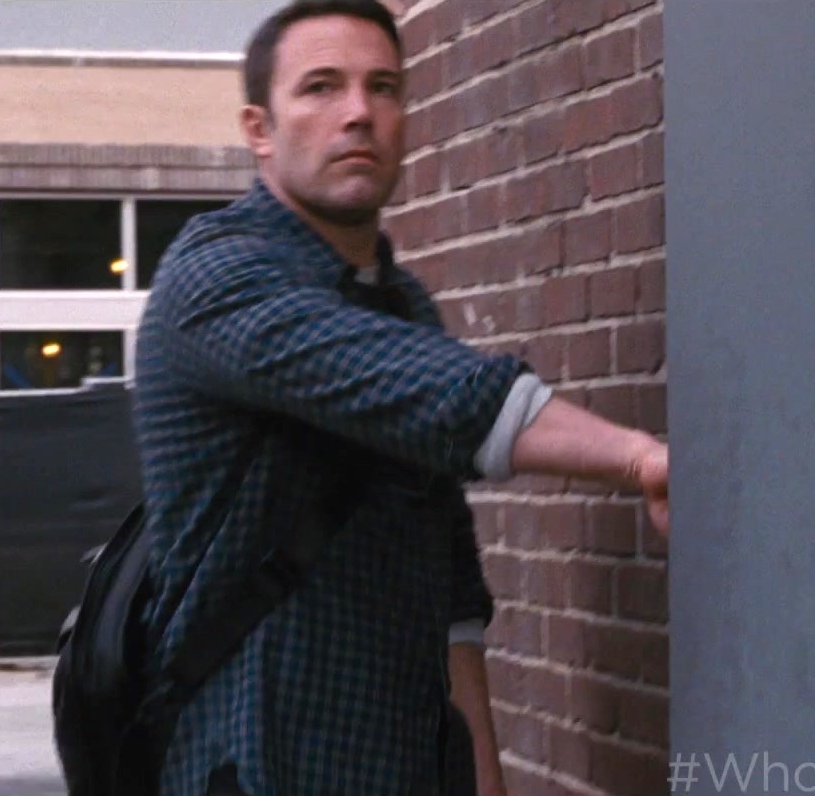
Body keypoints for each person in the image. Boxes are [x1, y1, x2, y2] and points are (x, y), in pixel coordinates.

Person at [129, 1, 669, 795]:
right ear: (258, 130)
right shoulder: (215, 277)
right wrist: (638, 457)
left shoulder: (401, 304)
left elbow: (447, 578)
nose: (358, 112)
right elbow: (440, 396)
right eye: (321, 87)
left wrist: (483, 778)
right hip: (254, 765)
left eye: (382, 87)